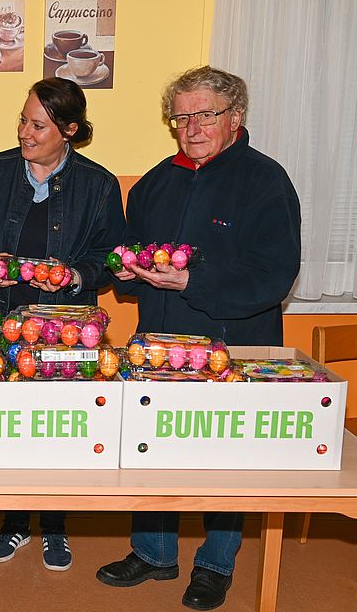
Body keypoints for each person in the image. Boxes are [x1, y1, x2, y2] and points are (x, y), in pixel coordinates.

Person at [96, 66, 301, 611]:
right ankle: (153, 552)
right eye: (181, 116)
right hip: (156, 342)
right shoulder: (158, 180)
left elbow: (273, 275)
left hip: (230, 348)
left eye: (205, 114)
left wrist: (194, 279)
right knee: (149, 448)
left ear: (235, 118)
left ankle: (215, 565)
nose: (192, 127)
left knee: (224, 459)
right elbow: (130, 248)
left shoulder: (265, 180)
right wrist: (125, 269)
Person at [0, 77, 126, 572]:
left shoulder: (98, 184)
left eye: (38, 125)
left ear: (69, 130)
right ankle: (12, 522)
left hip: (63, 330)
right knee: (8, 425)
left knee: (57, 427)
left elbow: (110, 257)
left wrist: (76, 276)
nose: (24, 133)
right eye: (22, 120)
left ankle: (53, 524)